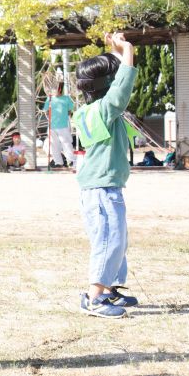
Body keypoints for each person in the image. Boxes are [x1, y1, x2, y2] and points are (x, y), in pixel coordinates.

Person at [72, 33, 140, 319]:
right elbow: (122, 89)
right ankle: (94, 297)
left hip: (101, 187)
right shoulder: (104, 110)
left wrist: (115, 52)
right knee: (109, 241)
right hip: (102, 189)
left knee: (117, 239)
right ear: (108, 86)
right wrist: (128, 50)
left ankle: (108, 289)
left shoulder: (89, 109)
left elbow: (115, 86)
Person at [43, 82, 76, 168]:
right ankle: (58, 162)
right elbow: (45, 110)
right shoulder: (49, 99)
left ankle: (72, 160)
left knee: (67, 143)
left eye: (55, 88)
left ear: (60, 89)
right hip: (52, 126)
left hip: (64, 125)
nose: (53, 90)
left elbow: (70, 110)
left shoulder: (66, 99)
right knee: (54, 144)